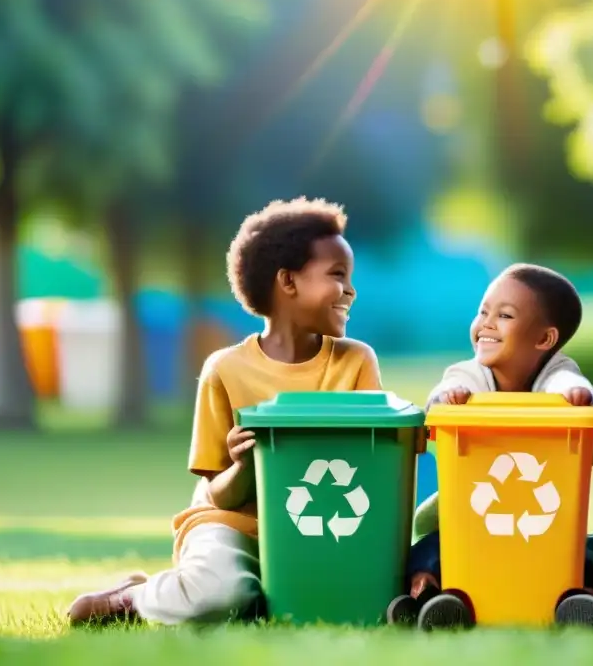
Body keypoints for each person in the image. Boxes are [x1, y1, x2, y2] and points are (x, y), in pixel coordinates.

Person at [67, 197, 383, 626]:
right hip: (235, 525)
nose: (350, 290)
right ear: (288, 281)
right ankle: (133, 598)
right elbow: (218, 493)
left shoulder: (356, 362)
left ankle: (252, 594)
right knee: (221, 595)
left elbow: (375, 458)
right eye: (337, 275)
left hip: (325, 529)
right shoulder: (225, 370)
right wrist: (247, 463)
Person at [386, 263, 593, 631]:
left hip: (547, 533)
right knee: (429, 551)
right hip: (471, 530)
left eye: (504, 315)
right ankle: (428, 596)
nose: (487, 323)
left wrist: (575, 397)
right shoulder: (468, 375)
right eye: (483, 312)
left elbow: (573, 389)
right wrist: (446, 397)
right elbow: (438, 401)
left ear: (544, 340)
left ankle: (586, 599)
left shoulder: (558, 374)